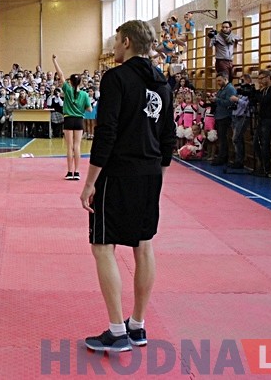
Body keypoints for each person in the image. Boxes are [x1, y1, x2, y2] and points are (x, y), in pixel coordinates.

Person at [79, 20, 175, 353]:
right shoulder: (163, 81)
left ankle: (117, 329)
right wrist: (158, 169)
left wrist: (89, 182)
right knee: (143, 244)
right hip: (150, 172)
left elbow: (106, 132)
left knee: (103, 246)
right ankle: (138, 325)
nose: (115, 48)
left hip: (118, 172)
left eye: (117, 42)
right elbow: (168, 134)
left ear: (127, 41)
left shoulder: (117, 78)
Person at [52, 54, 92, 180]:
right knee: (77, 146)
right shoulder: (85, 94)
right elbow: (89, 109)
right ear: (80, 82)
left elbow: (60, 74)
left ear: (71, 82)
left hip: (68, 119)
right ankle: (77, 171)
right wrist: (81, 107)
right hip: (79, 120)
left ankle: (69, 172)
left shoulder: (67, 90)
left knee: (69, 147)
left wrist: (54, 60)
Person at [252, 69, 271, 177]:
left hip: (269, 120)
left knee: (265, 144)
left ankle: (266, 168)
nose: (260, 81)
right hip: (261, 119)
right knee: (255, 143)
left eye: (262, 78)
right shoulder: (262, 90)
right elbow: (255, 100)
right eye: (258, 79)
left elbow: (264, 100)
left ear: (268, 78)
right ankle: (261, 163)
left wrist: (258, 91)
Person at [228, 74, 255, 169]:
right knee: (237, 139)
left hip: (243, 116)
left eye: (242, 80)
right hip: (235, 115)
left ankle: (239, 160)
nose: (241, 83)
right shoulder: (240, 91)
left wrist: (237, 100)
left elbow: (248, 105)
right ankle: (239, 159)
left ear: (248, 80)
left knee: (236, 137)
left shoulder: (250, 91)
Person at [210, 73, 236, 166]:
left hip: (225, 116)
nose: (218, 82)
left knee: (223, 138)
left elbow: (230, 103)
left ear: (225, 79)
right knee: (221, 137)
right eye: (217, 81)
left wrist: (217, 100)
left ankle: (223, 157)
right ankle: (221, 155)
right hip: (219, 115)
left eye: (220, 80)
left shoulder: (230, 89)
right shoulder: (222, 89)